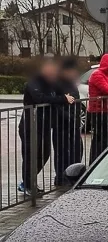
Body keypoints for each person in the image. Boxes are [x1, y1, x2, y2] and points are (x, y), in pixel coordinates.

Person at [18, 57, 74, 195]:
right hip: (30, 124)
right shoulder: (34, 82)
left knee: (44, 153)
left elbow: (62, 93)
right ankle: (28, 185)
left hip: (44, 124)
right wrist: (62, 99)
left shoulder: (51, 83)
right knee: (31, 154)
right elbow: (40, 98)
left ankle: (28, 181)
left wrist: (65, 96)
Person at [52, 58, 84, 186]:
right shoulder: (56, 82)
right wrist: (67, 116)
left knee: (77, 149)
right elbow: (54, 102)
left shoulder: (71, 83)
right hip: (61, 123)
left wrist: (75, 117)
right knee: (61, 151)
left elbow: (76, 99)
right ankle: (61, 177)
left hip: (73, 122)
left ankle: (73, 175)